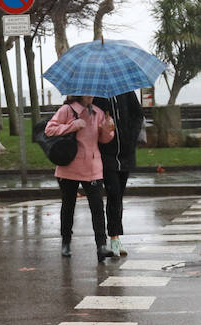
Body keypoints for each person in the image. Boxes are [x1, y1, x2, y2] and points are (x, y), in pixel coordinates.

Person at [44, 94, 116, 262]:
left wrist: (107, 128)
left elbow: (104, 140)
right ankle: (66, 242)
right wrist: (73, 125)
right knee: (68, 206)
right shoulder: (66, 110)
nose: (90, 95)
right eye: (87, 91)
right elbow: (49, 129)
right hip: (69, 166)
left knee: (97, 207)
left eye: (92, 91)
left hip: (93, 167)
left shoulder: (98, 112)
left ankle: (101, 246)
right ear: (79, 92)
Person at [95, 90, 144, 257]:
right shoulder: (96, 95)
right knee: (113, 192)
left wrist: (131, 135)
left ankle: (116, 236)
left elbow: (138, 114)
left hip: (126, 153)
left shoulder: (126, 91)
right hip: (105, 153)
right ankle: (114, 237)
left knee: (119, 194)